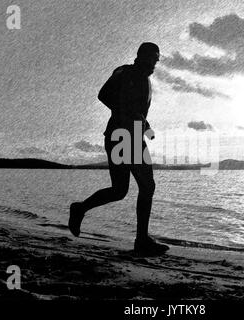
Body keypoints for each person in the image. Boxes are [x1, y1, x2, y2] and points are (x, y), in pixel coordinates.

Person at [68, 42, 169, 256]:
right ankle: (141, 241)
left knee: (119, 190)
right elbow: (104, 94)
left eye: (156, 60)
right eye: (152, 58)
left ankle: (80, 208)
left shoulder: (144, 79)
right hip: (123, 136)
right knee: (147, 185)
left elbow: (136, 110)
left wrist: (141, 121)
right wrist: (128, 115)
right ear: (141, 56)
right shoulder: (127, 72)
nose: (154, 64)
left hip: (126, 135)